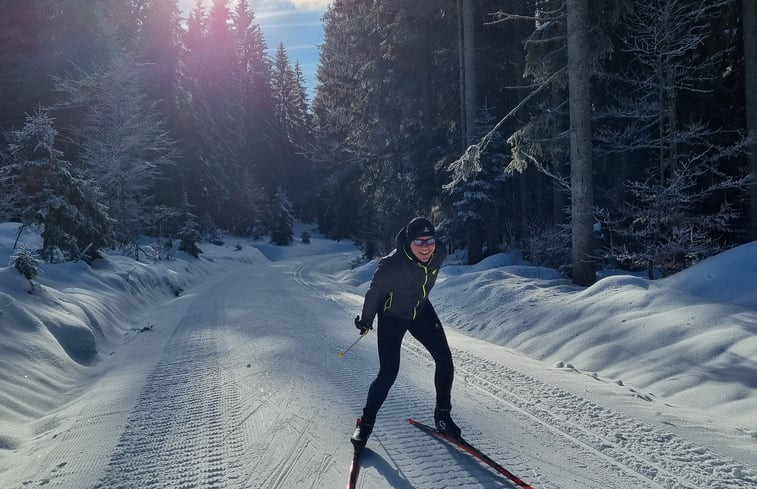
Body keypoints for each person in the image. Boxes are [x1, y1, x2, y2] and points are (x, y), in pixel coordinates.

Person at [351, 217, 460, 450]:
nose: (425, 247)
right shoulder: (391, 264)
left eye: (429, 240)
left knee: (445, 359)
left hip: (420, 309)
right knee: (388, 373)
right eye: (419, 242)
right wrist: (366, 320)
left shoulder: (439, 252)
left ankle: (442, 415)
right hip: (392, 316)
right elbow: (374, 292)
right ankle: (365, 424)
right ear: (408, 243)